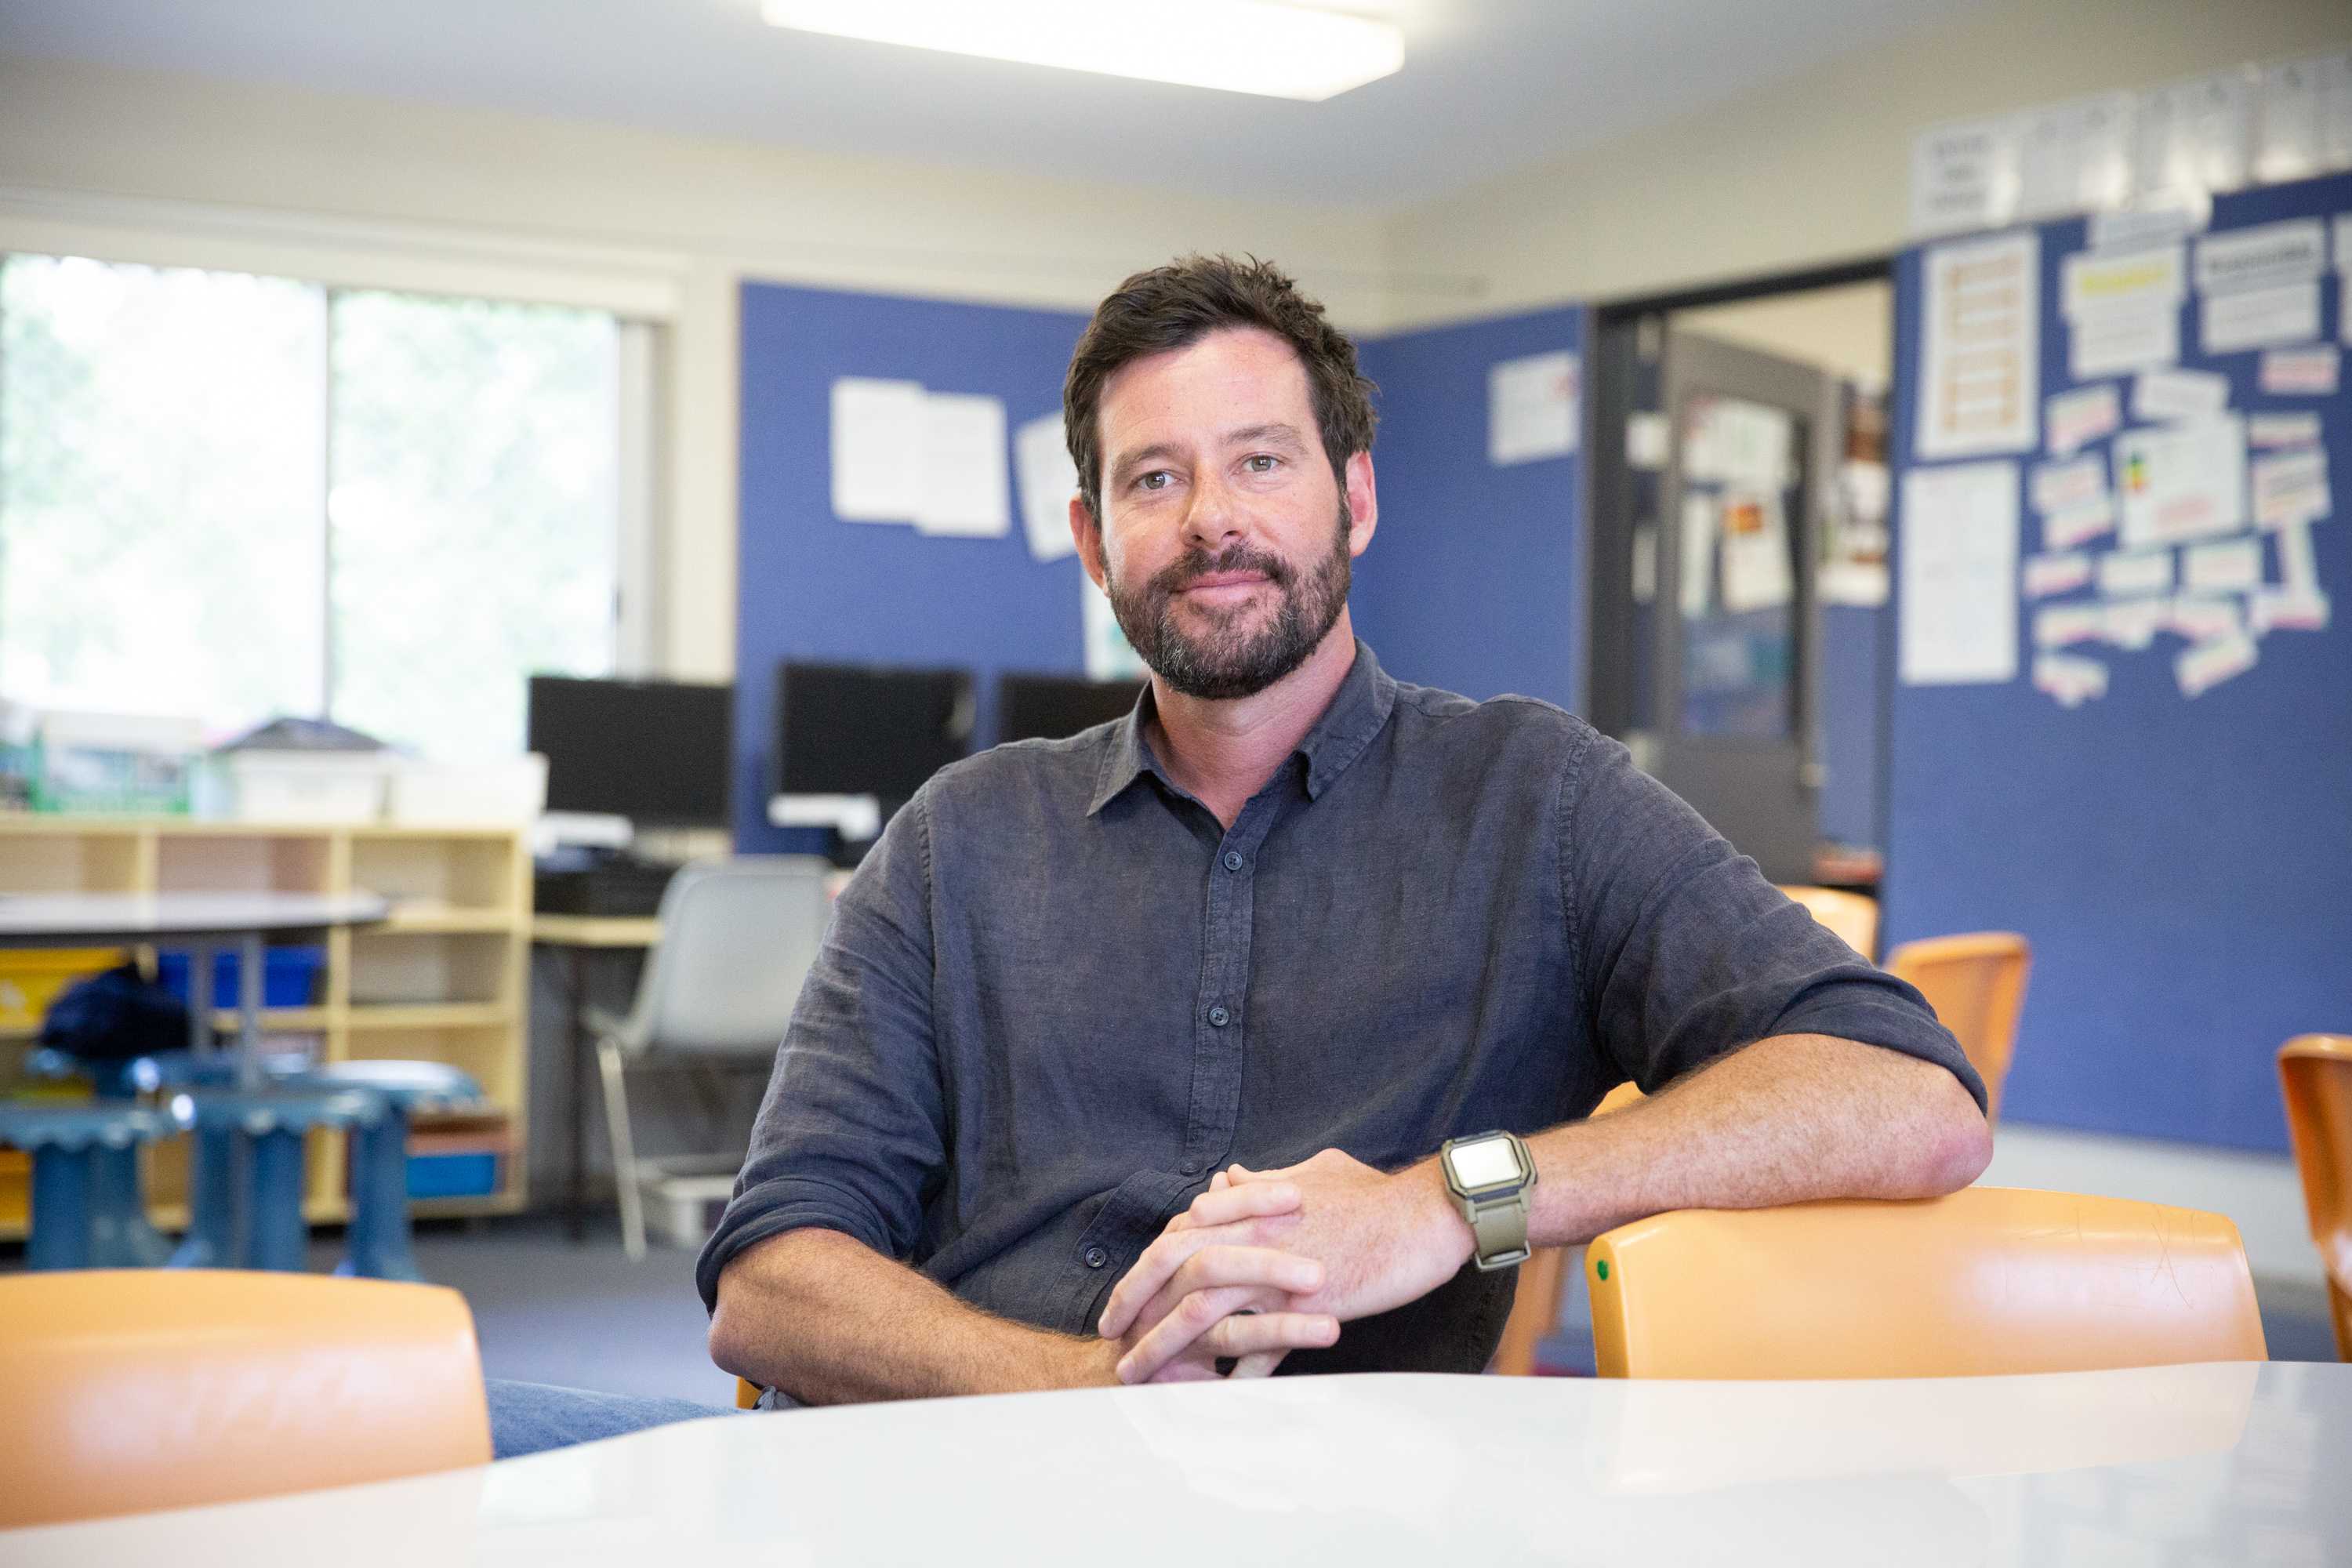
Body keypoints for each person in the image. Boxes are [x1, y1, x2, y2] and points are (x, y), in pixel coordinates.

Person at [699, 253, 1990, 1405]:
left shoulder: (1530, 801)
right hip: (949, 1481)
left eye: (1262, 460)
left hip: (1345, 1512)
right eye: (1156, 478)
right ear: (1094, 543)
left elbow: (1911, 1098)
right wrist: (1086, 1385)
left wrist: (1452, 1202)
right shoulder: (957, 840)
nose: (1213, 516)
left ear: (1354, 499)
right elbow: (768, 1277)